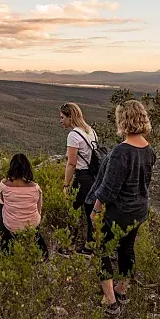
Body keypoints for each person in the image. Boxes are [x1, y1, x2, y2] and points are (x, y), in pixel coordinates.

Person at [87, 100, 156, 316]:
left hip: (119, 212)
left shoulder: (121, 152)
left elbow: (108, 189)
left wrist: (96, 210)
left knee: (100, 249)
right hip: (138, 210)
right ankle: (122, 290)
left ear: (123, 120)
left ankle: (111, 302)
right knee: (126, 248)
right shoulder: (148, 149)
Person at [59, 102, 99, 256]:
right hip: (94, 177)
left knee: (72, 211)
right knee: (90, 212)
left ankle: (68, 246)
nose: (61, 121)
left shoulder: (74, 135)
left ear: (71, 117)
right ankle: (90, 246)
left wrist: (66, 184)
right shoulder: (91, 131)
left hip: (81, 177)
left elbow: (71, 163)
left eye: (63, 117)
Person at [0, 154, 49, 258]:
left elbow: (3, 200)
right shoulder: (35, 188)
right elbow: (39, 208)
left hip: (11, 225)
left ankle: (1, 239)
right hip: (32, 225)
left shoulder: (4, 185)